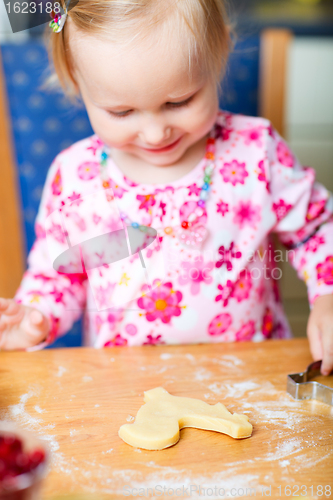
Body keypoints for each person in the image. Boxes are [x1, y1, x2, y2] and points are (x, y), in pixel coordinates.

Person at [0, 0, 332, 375]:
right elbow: (57, 278)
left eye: (180, 101)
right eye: (122, 112)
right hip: (123, 387)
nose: (157, 134)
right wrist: (34, 317)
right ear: (77, 80)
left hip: (251, 379)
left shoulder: (255, 150)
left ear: (218, 52)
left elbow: (316, 230)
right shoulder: (75, 176)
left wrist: (329, 293)